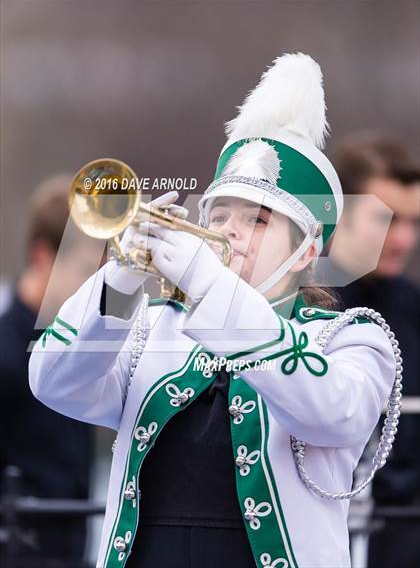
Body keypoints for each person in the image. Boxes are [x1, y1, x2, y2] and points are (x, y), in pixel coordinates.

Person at [29, 53, 397, 568]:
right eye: (219, 213)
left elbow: (331, 413)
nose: (228, 231)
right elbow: (55, 380)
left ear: (308, 250)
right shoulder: (153, 329)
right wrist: (123, 275)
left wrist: (208, 286)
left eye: (259, 220)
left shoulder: (350, 338)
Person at [329, 133, 420, 568]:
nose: (402, 239)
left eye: (413, 223)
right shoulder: (292, 304)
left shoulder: (415, 308)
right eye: (386, 219)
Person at [0, 176, 98, 566]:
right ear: (43, 257)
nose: (96, 286)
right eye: (87, 268)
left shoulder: (80, 349)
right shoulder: (5, 354)